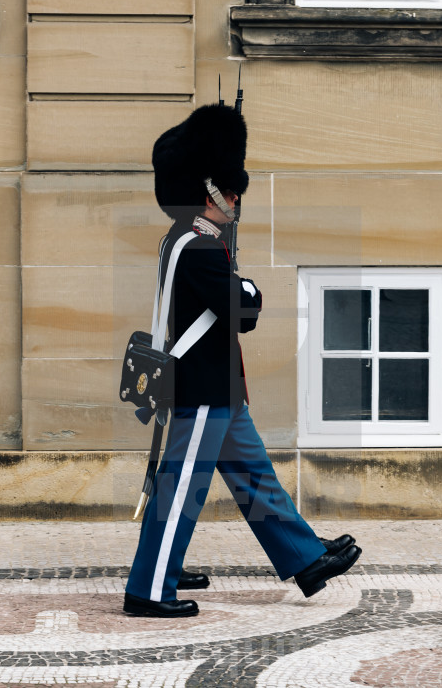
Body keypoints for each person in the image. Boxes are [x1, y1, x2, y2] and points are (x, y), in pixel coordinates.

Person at [123, 103, 362, 618]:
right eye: (228, 190)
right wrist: (246, 282)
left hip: (217, 387)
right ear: (208, 191)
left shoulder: (186, 240)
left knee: (255, 480)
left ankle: (304, 558)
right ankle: (148, 587)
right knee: (181, 488)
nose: (235, 198)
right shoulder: (200, 247)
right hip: (204, 387)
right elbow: (244, 308)